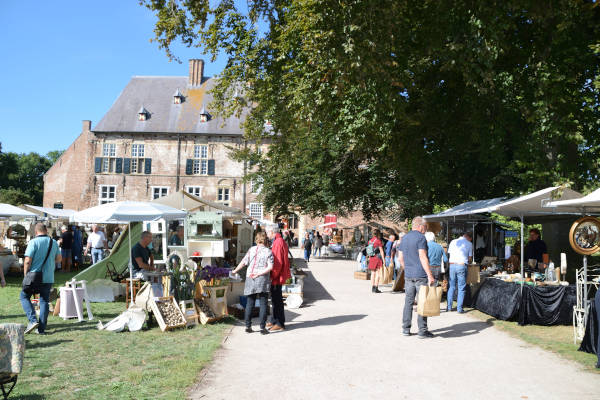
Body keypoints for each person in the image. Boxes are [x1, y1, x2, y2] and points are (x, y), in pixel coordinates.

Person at [21, 223, 61, 334]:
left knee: (24, 296)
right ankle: (41, 329)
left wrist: (25, 274)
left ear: (36, 231)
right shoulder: (53, 242)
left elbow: (27, 261)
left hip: (34, 276)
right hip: (48, 276)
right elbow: (59, 259)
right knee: (44, 301)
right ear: (46, 231)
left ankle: (33, 320)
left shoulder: (33, 242)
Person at [399, 217, 435, 338]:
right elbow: (423, 257)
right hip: (420, 275)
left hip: (409, 275)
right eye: (425, 228)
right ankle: (422, 331)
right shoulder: (421, 238)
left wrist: (407, 269)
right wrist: (430, 275)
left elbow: (400, 258)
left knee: (408, 302)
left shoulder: (404, 238)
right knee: (422, 302)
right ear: (420, 226)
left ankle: (405, 329)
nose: (426, 230)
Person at [231, 231, 273, 334]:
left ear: (256, 240)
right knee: (263, 303)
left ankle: (248, 327)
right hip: (262, 278)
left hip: (250, 277)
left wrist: (234, 271)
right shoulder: (268, 252)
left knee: (250, 303)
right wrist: (259, 274)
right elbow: (270, 267)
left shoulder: (251, 250)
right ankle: (262, 328)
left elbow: (243, 262)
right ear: (265, 240)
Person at [266, 225, 291, 331]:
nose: (267, 235)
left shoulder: (278, 242)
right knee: (275, 299)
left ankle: (280, 323)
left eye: (267, 233)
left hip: (277, 277)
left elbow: (277, 263)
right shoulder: (278, 241)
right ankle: (274, 320)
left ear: (271, 232)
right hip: (278, 275)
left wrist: (272, 276)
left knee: (277, 301)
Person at [447, 232, 473, 313]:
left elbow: (449, 254)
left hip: (452, 265)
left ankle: (449, 307)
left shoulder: (452, 241)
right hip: (461, 265)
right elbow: (469, 258)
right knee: (461, 288)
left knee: (451, 286)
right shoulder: (469, 243)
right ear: (468, 237)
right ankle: (459, 309)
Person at [367, 229, 386, 293]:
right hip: (377, 258)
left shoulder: (370, 241)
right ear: (378, 234)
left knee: (373, 273)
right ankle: (376, 287)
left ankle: (372, 287)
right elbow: (381, 251)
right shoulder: (378, 241)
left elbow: (369, 250)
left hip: (371, 258)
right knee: (378, 273)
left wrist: (369, 258)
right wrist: (384, 260)